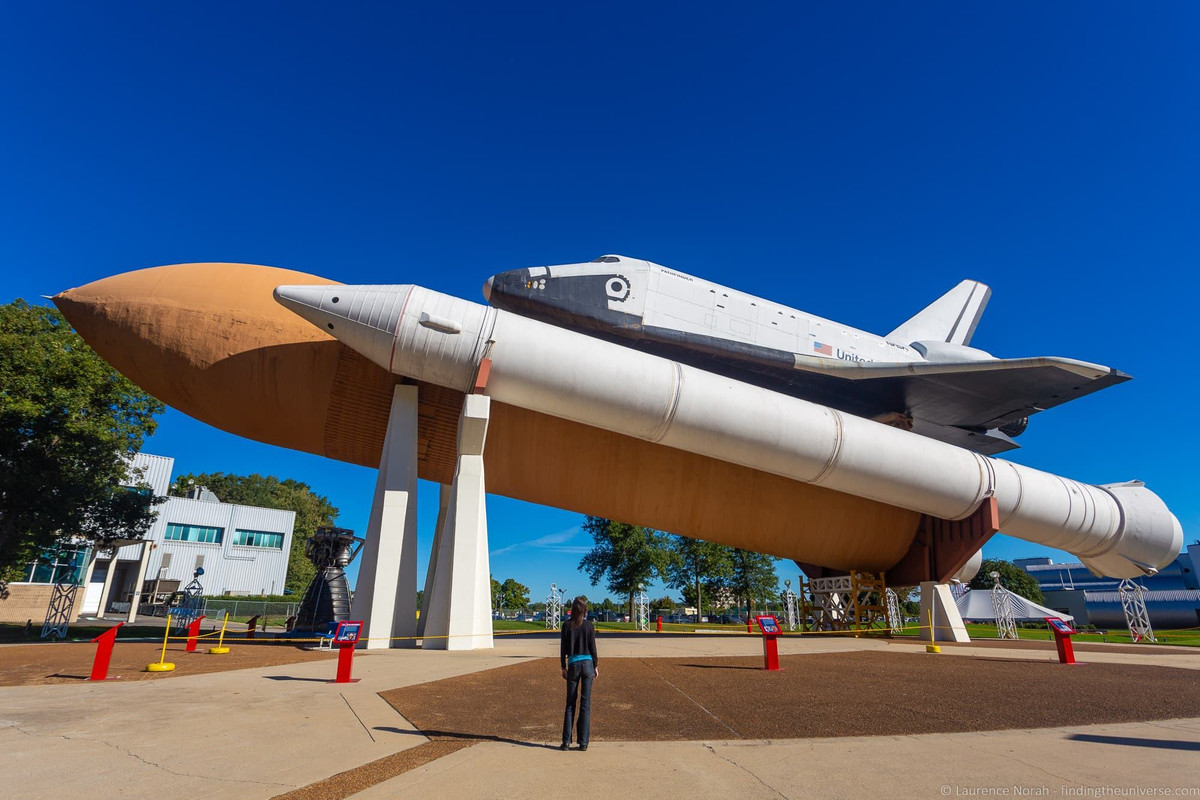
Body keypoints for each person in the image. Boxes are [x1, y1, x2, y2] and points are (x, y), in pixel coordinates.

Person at [559, 595, 598, 751]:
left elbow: (563, 648)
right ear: (585, 610)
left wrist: (563, 666)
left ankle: (566, 741)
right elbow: (593, 648)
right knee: (585, 703)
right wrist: (596, 665)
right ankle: (583, 742)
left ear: (572, 610)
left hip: (573, 664)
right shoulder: (589, 626)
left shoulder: (567, 626)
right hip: (588, 664)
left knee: (570, 704)